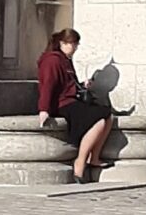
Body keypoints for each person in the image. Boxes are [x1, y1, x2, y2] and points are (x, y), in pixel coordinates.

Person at [36, 26, 111, 184]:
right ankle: (80, 162)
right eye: (73, 44)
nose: (75, 48)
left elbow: (68, 85)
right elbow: (48, 85)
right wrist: (44, 109)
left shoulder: (65, 60)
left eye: (76, 44)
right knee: (100, 119)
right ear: (62, 43)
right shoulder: (52, 60)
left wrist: (82, 85)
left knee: (107, 115)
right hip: (61, 105)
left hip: (70, 101)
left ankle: (94, 157)